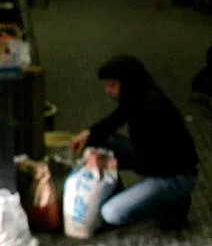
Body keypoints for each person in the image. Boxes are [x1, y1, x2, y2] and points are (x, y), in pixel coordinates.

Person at [69, 55, 198, 229]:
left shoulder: (153, 108)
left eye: (112, 85)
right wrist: (88, 133)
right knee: (100, 139)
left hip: (172, 173)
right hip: (150, 158)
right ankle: (130, 193)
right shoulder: (136, 96)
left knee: (111, 213)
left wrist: (109, 163)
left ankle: (171, 204)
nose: (108, 91)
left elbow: (151, 162)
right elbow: (115, 119)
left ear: (127, 83)